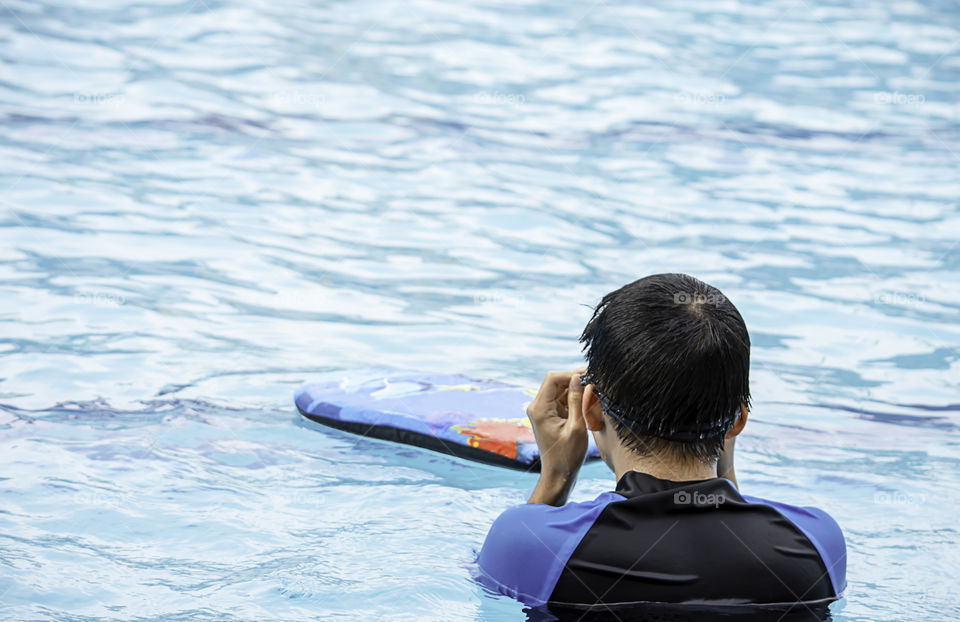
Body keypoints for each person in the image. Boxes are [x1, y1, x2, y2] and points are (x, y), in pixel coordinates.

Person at [475, 273, 846, 616]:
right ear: (737, 423)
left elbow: (501, 584)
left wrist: (556, 475)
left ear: (591, 410)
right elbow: (739, 548)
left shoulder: (528, 541)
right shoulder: (817, 542)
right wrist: (723, 466)